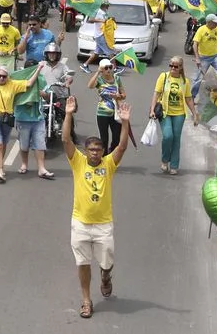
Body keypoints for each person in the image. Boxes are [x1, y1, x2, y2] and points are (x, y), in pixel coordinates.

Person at [62, 95, 132, 319]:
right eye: (91, 149)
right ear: (86, 150)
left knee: (107, 261)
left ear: (102, 152)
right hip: (80, 222)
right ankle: (86, 300)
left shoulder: (109, 164)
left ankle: (105, 276)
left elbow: (121, 146)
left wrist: (125, 122)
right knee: (82, 262)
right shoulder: (77, 161)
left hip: (103, 225)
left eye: (98, 150)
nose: (94, 153)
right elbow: (65, 140)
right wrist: (68, 114)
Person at [148, 56, 198, 175]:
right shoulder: (163, 77)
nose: (173, 68)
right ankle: (165, 160)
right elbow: (156, 93)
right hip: (165, 112)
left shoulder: (184, 81)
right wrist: (152, 110)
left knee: (176, 139)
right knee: (168, 136)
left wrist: (195, 114)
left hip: (179, 113)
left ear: (181, 68)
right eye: (171, 66)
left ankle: (174, 165)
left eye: (176, 66)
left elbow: (188, 98)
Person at [15, 60, 53, 179]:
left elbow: (47, 96)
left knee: (40, 144)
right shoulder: (19, 78)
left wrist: (43, 94)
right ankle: (24, 164)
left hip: (38, 117)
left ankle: (41, 168)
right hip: (23, 117)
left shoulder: (41, 79)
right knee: (24, 144)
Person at [89, 58, 126, 155]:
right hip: (102, 113)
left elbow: (124, 95)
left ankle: (111, 155)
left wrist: (119, 96)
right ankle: (104, 158)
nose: (109, 70)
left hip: (115, 113)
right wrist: (97, 73)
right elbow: (90, 86)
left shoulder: (117, 79)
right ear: (102, 69)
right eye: (106, 68)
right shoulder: (100, 80)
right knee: (104, 139)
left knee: (116, 138)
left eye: (110, 67)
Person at [79, 1, 113, 74]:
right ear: (103, 5)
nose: (108, 7)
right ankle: (116, 69)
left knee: (96, 53)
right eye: (107, 5)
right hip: (100, 35)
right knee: (110, 52)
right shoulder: (97, 11)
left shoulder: (104, 12)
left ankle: (85, 65)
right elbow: (90, 20)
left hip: (103, 35)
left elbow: (105, 22)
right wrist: (101, 20)